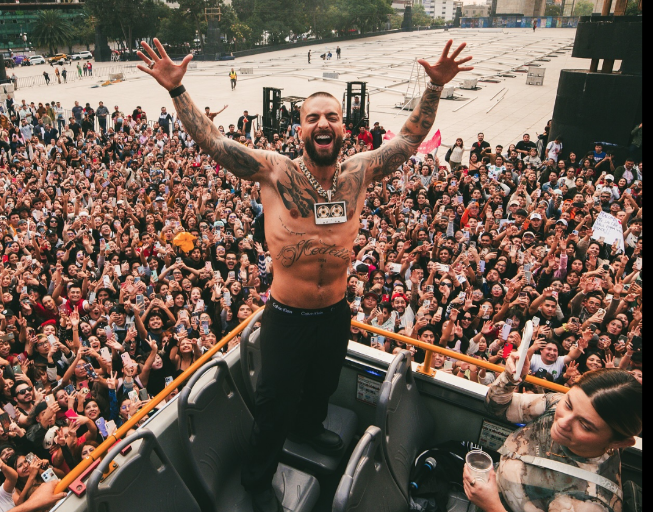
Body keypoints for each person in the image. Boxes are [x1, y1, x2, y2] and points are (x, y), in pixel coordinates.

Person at [135, 37, 472, 511]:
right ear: (299, 129)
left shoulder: (359, 172)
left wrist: (434, 87)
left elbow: (409, 139)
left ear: (344, 127)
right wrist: (177, 90)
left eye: (331, 116)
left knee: (322, 385)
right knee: (272, 409)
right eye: (312, 117)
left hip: (334, 311)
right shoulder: (274, 173)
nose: (322, 124)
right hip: (286, 317)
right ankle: (257, 481)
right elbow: (212, 141)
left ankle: (311, 427)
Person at [464, 352, 641, 512]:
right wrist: (511, 377)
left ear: (618, 443)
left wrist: (491, 506)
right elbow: (496, 406)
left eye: (585, 426)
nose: (563, 422)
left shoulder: (591, 503)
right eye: (569, 404)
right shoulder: (557, 402)